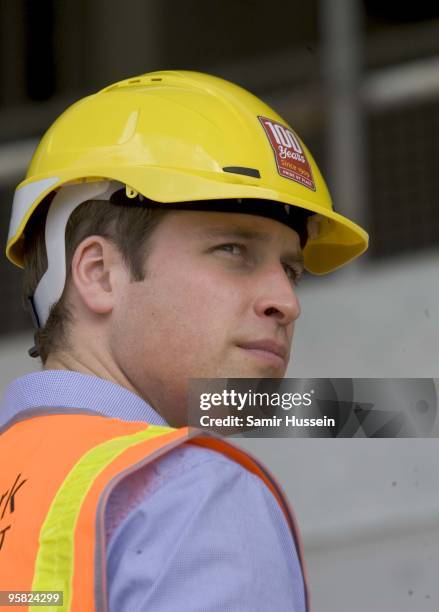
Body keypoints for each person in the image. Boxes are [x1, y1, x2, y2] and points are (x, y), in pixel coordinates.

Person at [0, 70, 368, 611]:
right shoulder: (191, 493)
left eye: (291, 271)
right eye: (233, 250)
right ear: (100, 273)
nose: (287, 304)